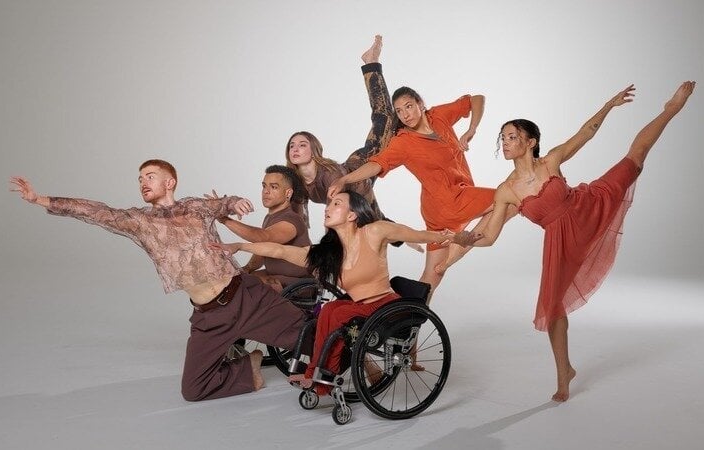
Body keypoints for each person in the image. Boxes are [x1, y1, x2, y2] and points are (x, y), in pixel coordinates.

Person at [439, 82, 696, 402]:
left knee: (636, 158)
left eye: (512, 137)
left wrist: (609, 105)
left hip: (589, 206)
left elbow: (586, 133)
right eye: (502, 138)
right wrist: (466, 239)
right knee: (553, 308)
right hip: (561, 244)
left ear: (530, 142)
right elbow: (489, 236)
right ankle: (565, 372)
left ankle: (671, 109)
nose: (504, 142)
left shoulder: (550, 162)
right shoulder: (506, 191)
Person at [9, 159, 306, 401]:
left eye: (150, 176)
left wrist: (235, 202)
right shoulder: (140, 222)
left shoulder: (193, 207)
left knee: (311, 342)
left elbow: (221, 204)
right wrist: (40, 199)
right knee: (193, 389)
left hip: (244, 297)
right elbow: (97, 212)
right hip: (209, 316)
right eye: (140, 179)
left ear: (169, 182)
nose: (143, 182)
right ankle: (249, 369)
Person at [211, 190, 464, 395]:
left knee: (338, 314)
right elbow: (280, 250)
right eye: (329, 204)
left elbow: (416, 234)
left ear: (352, 214)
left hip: (385, 306)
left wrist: (454, 238)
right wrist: (240, 246)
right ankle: (315, 374)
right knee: (329, 310)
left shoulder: (374, 231)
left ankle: (324, 379)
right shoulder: (330, 253)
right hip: (360, 308)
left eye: (336, 204)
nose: (328, 208)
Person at [327, 85, 511, 301]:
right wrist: (345, 179)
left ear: (420, 104)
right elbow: (377, 164)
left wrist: (472, 129)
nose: (405, 115)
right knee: (510, 196)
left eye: (408, 106)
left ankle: (409, 320)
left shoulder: (438, 116)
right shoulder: (403, 142)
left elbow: (476, 99)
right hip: (450, 202)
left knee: (431, 276)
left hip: (438, 208)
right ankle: (464, 246)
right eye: (399, 111)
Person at [286, 35, 419, 251]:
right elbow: (297, 218)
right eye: (292, 145)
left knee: (386, 118)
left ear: (314, 150)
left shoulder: (329, 174)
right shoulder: (296, 182)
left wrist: (327, 250)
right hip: (359, 195)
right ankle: (406, 237)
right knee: (377, 221)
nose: (295, 149)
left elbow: (336, 213)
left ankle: (371, 62)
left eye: (302, 144)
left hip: (361, 166)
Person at [210, 165, 311, 292]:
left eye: (274, 187)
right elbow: (263, 249)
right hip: (276, 276)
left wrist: (224, 219)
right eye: (264, 186)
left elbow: (263, 237)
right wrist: (248, 268)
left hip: (297, 284)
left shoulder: (292, 220)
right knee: (230, 281)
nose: (266, 191)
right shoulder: (270, 217)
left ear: (288, 193)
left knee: (238, 288)